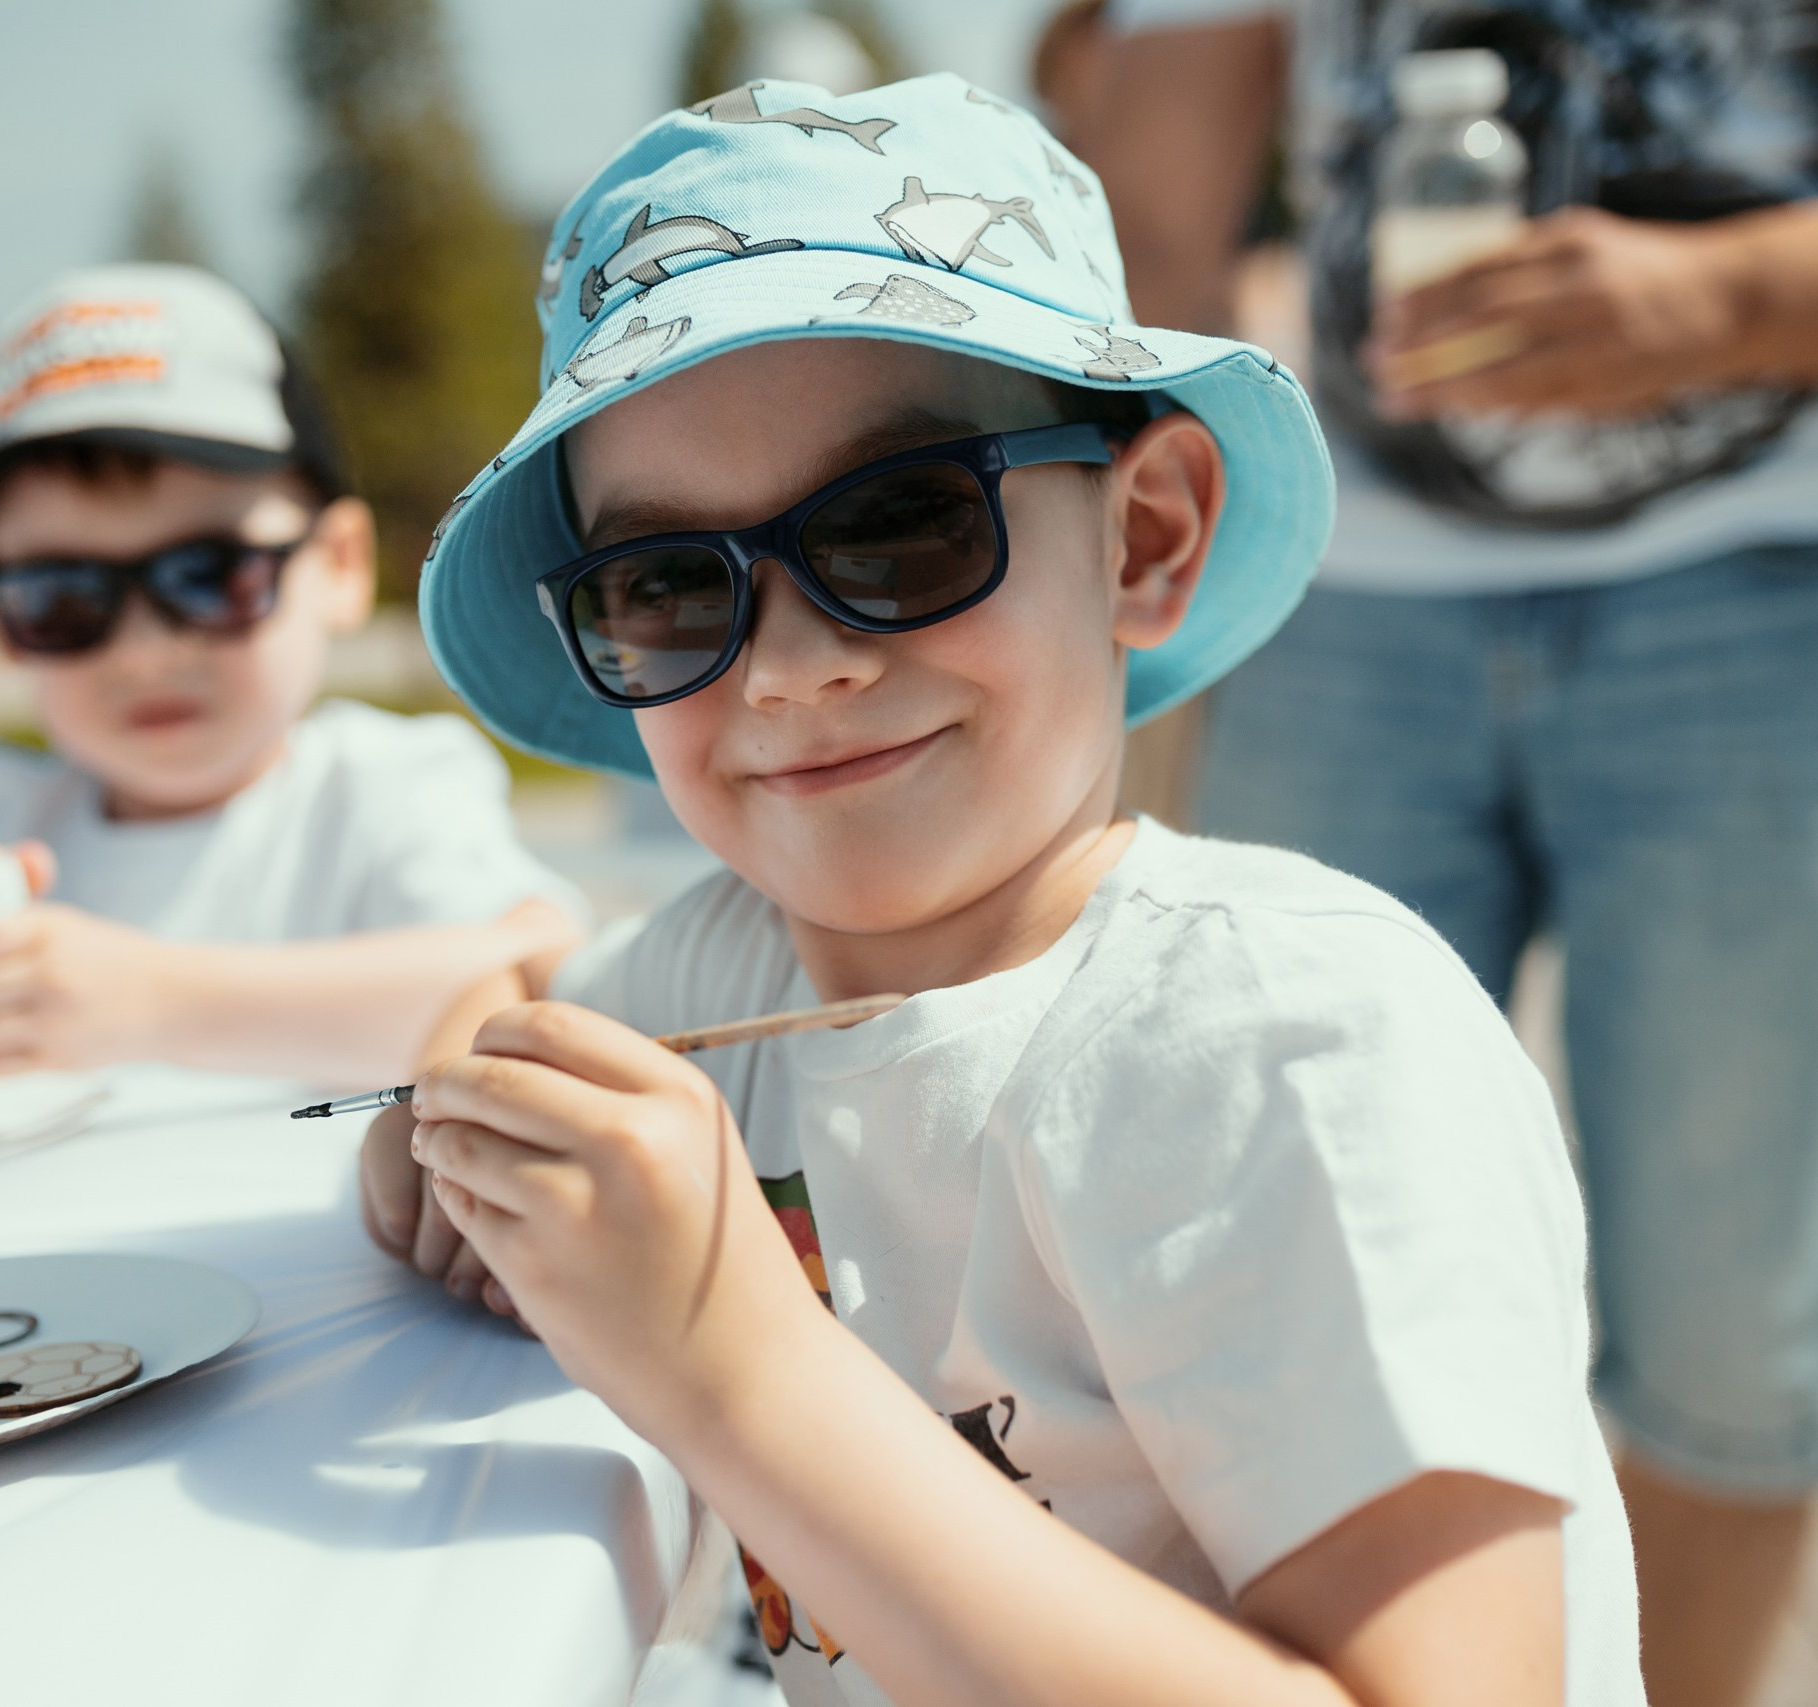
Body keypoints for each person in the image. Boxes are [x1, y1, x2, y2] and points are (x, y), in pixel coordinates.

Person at [357, 74, 1642, 1704]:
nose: (794, 671)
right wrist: (452, 1117)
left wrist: (730, 1365)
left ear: (1145, 537)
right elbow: (521, 999)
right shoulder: (716, 975)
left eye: (898, 529)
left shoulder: (1291, 1048)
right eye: (672, 585)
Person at [1073, 6, 1818, 1701]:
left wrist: (1723, 301)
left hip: (1801, 576)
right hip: (1333, 594)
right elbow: (1154, 210)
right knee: (1238, 1292)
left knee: (1733, 1336)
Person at [0, 264, 583, 1086]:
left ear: (336, 564)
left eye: (207, 575)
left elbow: (545, 964)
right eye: (61, 596)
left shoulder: (376, 793)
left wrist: (155, 1003)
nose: (143, 650)